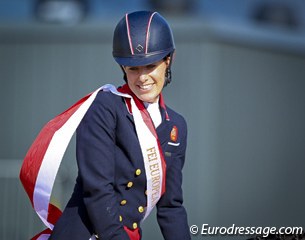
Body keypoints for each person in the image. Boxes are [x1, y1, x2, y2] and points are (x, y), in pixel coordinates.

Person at [21, 10, 190, 240]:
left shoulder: (176, 127)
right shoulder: (104, 107)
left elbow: (171, 207)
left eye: (150, 65)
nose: (142, 78)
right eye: (133, 68)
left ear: (168, 59)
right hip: (86, 233)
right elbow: (98, 191)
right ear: (123, 68)